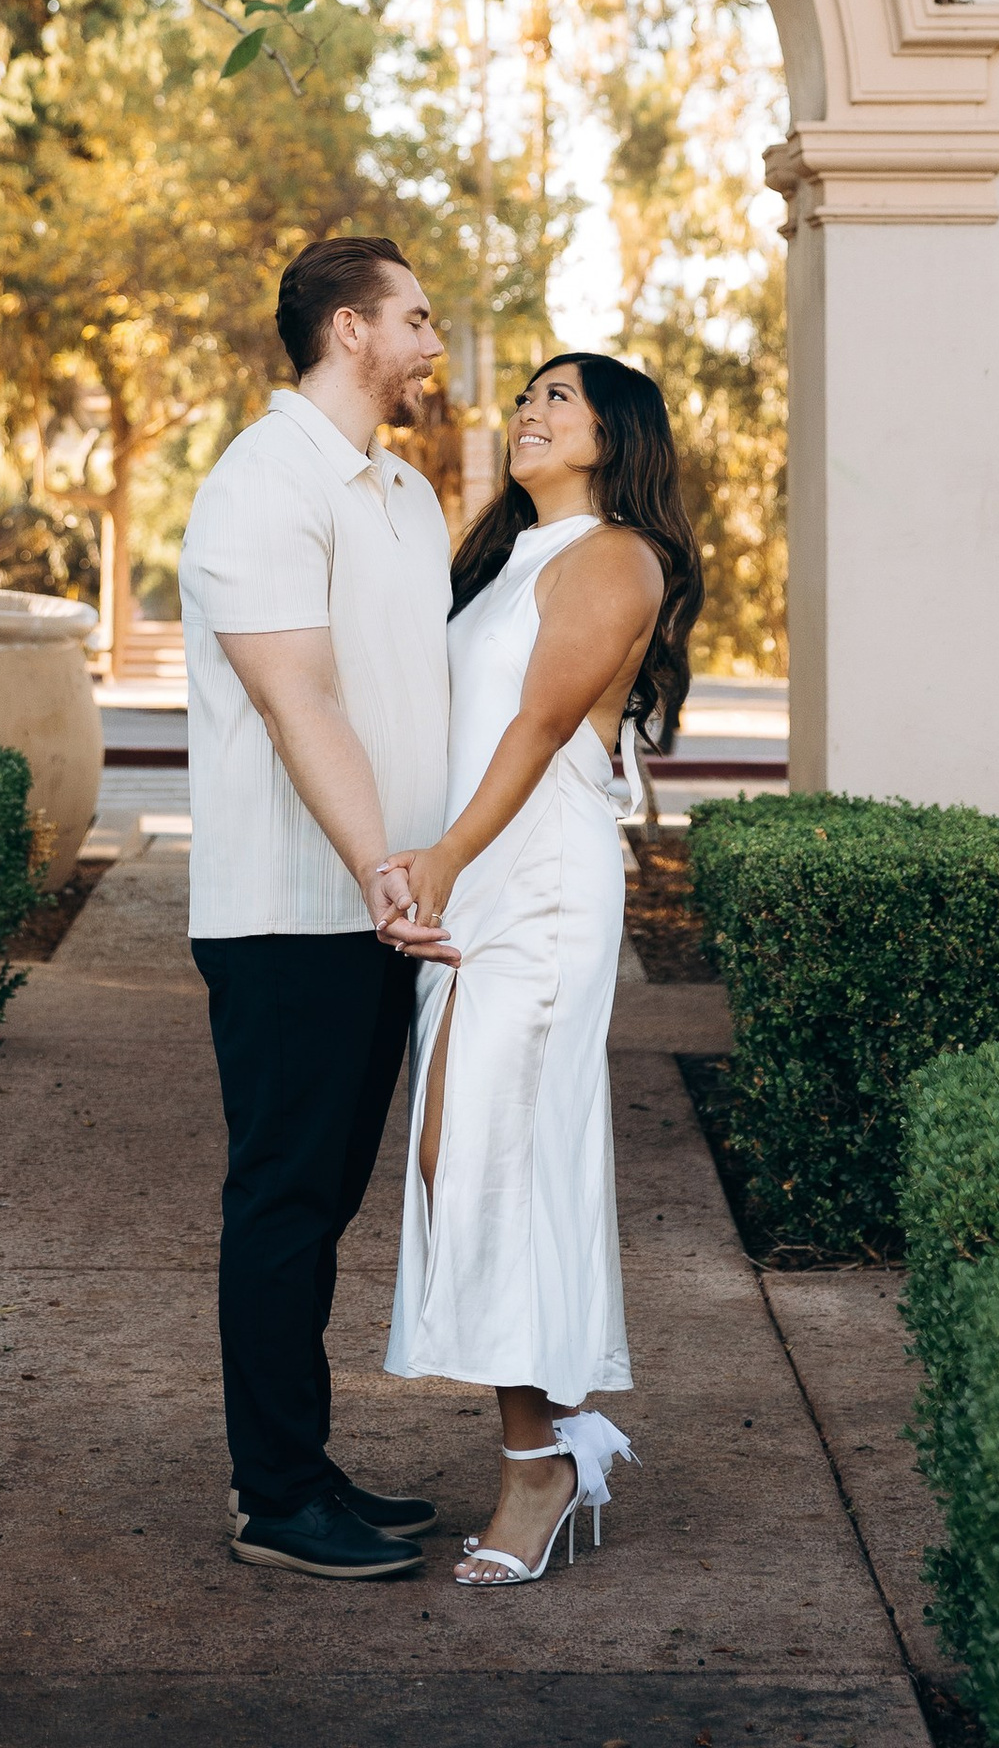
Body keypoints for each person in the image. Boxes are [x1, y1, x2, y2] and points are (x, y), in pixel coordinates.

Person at [382, 350, 704, 1586]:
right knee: (463, 1154)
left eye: (557, 398)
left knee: (484, 1153)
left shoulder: (615, 555)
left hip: (538, 879)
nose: (529, 410)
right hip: (480, 874)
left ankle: (540, 1465)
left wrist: (447, 858)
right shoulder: (501, 555)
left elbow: (535, 725)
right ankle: (547, 1443)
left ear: (613, 432)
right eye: (525, 395)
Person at [177, 233, 455, 1581]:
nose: (432, 340)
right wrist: (379, 871)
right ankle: (275, 1496)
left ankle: (305, 1457)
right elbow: (302, 702)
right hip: (293, 913)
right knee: (283, 1204)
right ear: (349, 329)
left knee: (326, 1204)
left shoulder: (403, 491)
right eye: (415, 317)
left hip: (380, 912)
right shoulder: (260, 481)